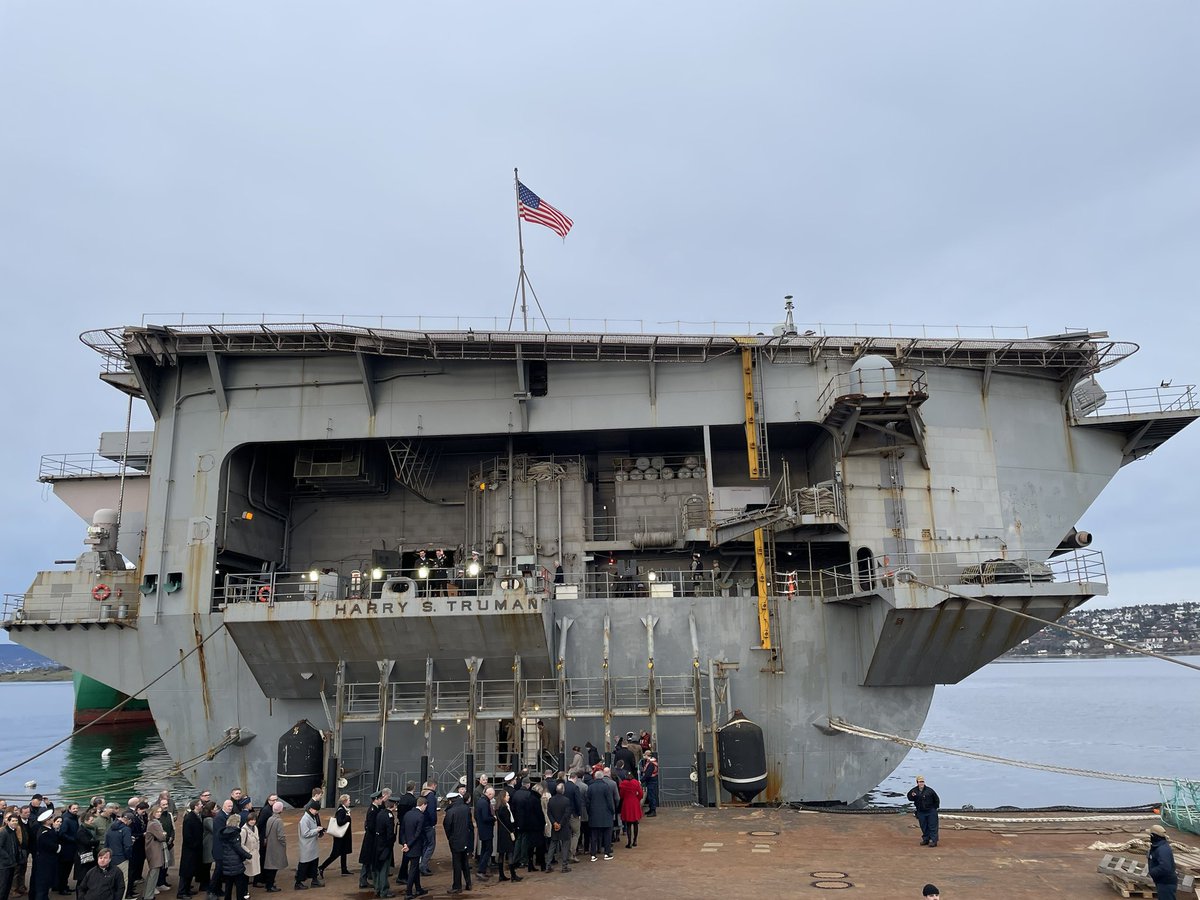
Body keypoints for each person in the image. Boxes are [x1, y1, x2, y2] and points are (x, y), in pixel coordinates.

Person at [441, 794, 472, 895]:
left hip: (455, 840)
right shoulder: (466, 808)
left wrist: (450, 837)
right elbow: (469, 824)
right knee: (465, 861)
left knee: (457, 863)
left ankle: (457, 886)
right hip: (465, 838)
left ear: (450, 801)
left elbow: (447, 825)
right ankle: (468, 883)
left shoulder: (451, 811)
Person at [397, 796, 427, 899]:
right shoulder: (420, 816)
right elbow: (417, 834)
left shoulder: (407, 814)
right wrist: (409, 845)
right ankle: (408, 892)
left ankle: (418, 888)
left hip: (407, 846)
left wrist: (405, 843)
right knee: (413, 869)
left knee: (415, 868)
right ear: (423, 805)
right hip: (415, 846)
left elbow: (402, 831)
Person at [213, 816, 250, 900]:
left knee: (228, 885)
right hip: (236, 862)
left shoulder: (223, 833)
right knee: (239, 885)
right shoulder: (235, 834)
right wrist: (248, 856)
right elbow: (238, 848)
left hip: (226, 861)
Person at [318, 794, 352, 877]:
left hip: (343, 836)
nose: (350, 802)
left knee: (343, 852)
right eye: (349, 800)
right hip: (340, 837)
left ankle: (344, 869)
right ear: (345, 801)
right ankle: (322, 867)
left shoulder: (343, 809)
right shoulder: (341, 811)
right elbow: (340, 822)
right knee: (335, 854)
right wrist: (347, 818)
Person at [586, 769, 615, 861]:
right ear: (602, 777)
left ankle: (593, 855)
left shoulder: (590, 787)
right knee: (607, 835)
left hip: (593, 815)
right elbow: (610, 801)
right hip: (606, 815)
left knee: (593, 836)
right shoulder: (606, 787)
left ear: (595, 777)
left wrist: (589, 812)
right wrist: (612, 811)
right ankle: (607, 853)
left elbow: (587, 802)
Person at [176, 800, 202, 900]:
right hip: (190, 849)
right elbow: (187, 835)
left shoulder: (195, 816)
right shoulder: (189, 818)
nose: (201, 805)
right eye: (200, 804)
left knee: (190, 870)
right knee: (186, 871)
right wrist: (195, 844)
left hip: (193, 849)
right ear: (195, 806)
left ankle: (187, 889)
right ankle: (181, 892)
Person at [294, 803, 324, 890]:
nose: (317, 812)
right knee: (304, 864)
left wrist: (317, 830)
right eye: (316, 810)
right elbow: (305, 833)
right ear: (311, 809)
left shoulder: (311, 817)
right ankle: (298, 882)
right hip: (306, 846)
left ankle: (314, 880)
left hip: (312, 845)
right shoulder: (305, 819)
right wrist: (316, 830)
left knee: (314, 862)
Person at [31, 813, 59, 900]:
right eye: (51, 818)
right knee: (43, 884)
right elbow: (49, 845)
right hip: (45, 861)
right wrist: (58, 847)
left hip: (47, 860)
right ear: (47, 821)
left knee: (46, 883)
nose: (52, 819)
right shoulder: (44, 833)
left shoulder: (48, 830)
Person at [492, 791, 518, 884]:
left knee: (501, 854)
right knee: (510, 853)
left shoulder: (498, 807)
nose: (509, 797)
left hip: (501, 833)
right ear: (503, 797)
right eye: (507, 795)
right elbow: (508, 822)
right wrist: (512, 831)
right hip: (507, 833)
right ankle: (513, 875)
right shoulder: (504, 808)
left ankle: (501, 875)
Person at [139, 807, 165, 900]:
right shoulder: (154, 824)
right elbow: (162, 837)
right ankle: (148, 896)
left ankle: (147, 895)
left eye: (160, 812)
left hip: (153, 850)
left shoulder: (152, 822)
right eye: (157, 811)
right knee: (153, 874)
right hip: (154, 851)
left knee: (152, 873)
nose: (159, 813)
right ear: (153, 812)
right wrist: (163, 834)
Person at [371, 800, 395, 899]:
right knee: (384, 869)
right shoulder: (389, 816)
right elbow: (390, 833)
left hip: (377, 843)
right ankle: (384, 891)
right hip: (385, 845)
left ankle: (377, 888)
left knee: (378, 867)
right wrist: (391, 843)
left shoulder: (380, 813)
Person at [907, 776, 940, 848]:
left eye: (922, 782)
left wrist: (934, 808)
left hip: (930, 811)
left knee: (932, 826)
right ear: (917, 783)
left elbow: (936, 799)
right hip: (921, 811)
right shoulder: (914, 791)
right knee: (923, 826)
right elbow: (909, 798)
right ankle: (926, 839)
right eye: (920, 782)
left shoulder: (930, 791)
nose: (921, 783)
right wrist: (912, 796)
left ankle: (933, 840)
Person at [260, 803, 286, 894]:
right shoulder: (279, 821)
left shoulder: (270, 819)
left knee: (270, 865)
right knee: (274, 867)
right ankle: (270, 886)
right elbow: (281, 836)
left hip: (270, 844)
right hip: (276, 846)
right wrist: (284, 844)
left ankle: (269, 884)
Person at [357, 792, 382, 889]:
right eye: (380, 799)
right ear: (376, 799)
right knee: (367, 860)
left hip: (371, 838)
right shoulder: (373, 810)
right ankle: (363, 880)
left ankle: (366, 878)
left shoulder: (375, 809)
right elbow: (371, 826)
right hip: (371, 838)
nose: (381, 800)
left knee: (368, 860)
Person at [546, 784, 572, 873]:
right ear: (563, 790)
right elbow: (567, 814)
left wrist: (554, 823)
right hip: (564, 826)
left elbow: (549, 813)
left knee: (552, 845)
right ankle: (564, 866)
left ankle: (548, 865)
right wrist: (560, 824)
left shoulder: (551, 800)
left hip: (555, 826)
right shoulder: (566, 800)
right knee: (565, 845)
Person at [1148, 824, 1177, 900]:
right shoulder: (1158, 846)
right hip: (1162, 881)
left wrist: (1152, 872)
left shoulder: (1162, 849)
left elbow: (1165, 867)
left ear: (1152, 836)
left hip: (1165, 883)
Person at [417, 782, 437, 877]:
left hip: (423, 823)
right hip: (429, 824)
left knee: (425, 844)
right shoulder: (431, 796)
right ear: (433, 785)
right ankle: (423, 865)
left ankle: (423, 864)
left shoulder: (423, 794)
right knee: (431, 845)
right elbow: (432, 811)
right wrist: (433, 823)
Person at [474, 788, 494, 881]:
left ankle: (482, 870)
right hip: (486, 830)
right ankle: (481, 870)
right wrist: (493, 818)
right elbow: (486, 817)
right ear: (489, 794)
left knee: (484, 849)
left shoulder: (480, 801)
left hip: (482, 829)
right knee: (488, 849)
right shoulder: (485, 803)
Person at [618, 775, 644, 848]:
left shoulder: (623, 783)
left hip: (626, 803)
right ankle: (635, 840)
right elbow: (641, 793)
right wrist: (637, 799)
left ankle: (629, 842)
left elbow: (621, 795)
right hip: (634, 803)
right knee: (635, 823)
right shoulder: (636, 783)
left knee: (628, 824)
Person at [237, 811, 259, 893]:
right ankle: (244, 892)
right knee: (245, 875)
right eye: (251, 820)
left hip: (254, 854)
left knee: (250, 874)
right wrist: (248, 853)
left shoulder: (255, 828)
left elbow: (257, 841)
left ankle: (245, 891)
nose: (253, 821)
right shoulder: (243, 830)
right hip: (248, 856)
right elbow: (241, 844)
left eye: (254, 820)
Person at [2, 811, 21, 900]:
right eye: (13, 821)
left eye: (16, 821)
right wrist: (8, 857)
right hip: (4, 865)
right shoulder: (4, 832)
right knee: (3, 887)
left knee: (8, 886)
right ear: (8, 821)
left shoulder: (13, 832)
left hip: (11, 864)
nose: (15, 823)